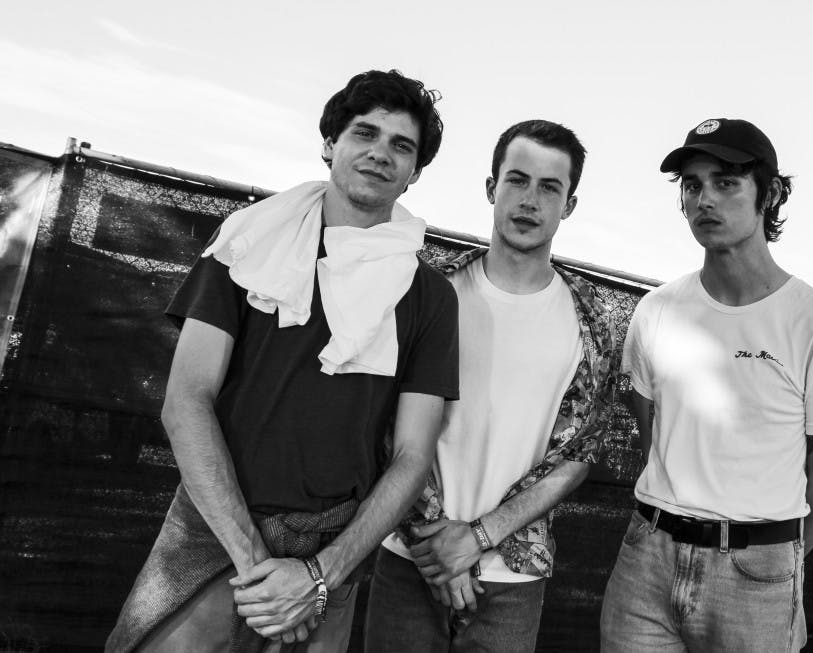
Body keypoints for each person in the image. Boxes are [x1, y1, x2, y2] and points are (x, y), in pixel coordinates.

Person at [106, 69, 459, 652]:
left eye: (402, 145)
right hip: (213, 531)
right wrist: (256, 569)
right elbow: (185, 402)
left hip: (333, 551)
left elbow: (413, 455)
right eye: (363, 133)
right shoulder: (246, 245)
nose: (380, 153)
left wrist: (319, 578)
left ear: (415, 172)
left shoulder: (429, 296)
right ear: (329, 143)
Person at [600, 118, 813, 652]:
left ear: (768, 194)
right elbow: (651, 435)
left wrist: (771, 563)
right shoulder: (657, 311)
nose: (705, 199)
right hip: (646, 560)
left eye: (726, 182)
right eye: (693, 184)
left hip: (758, 576)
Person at [364, 120, 617, 653]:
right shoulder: (427, 292)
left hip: (513, 581)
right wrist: (439, 549)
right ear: (490, 188)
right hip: (408, 559)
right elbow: (379, 419)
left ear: (569, 204)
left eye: (550, 187)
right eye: (517, 180)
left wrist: (477, 539)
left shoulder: (592, 325)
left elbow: (578, 454)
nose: (530, 200)